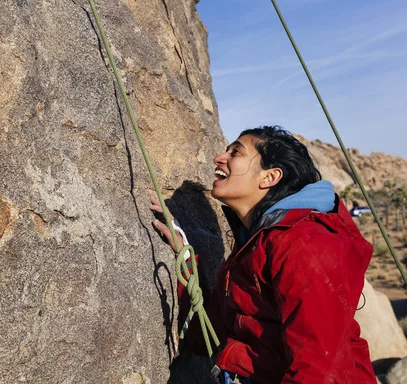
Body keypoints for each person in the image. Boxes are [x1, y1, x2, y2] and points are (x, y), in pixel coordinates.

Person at [150, 126, 375, 384]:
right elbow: (208, 336)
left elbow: (317, 369)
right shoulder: (253, 245)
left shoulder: (304, 243)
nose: (219, 158)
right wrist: (186, 259)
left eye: (236, 152)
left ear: (269, 177)